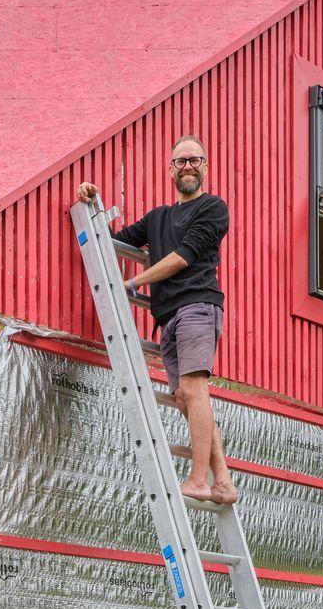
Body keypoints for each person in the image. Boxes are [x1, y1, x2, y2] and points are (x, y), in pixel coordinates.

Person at [76, 136, 237, 504]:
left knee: (194, 390)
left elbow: (184, 256)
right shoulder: (158, 218)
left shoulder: (213, 208)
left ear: (205, 166)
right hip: (169, 318)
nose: (187, 168)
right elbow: (113, 239)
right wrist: (92, 201)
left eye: (194, 160)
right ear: (170, 171)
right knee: (183, 397)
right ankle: (223, 479)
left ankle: (199, 479)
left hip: (197, 306)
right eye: (180, 162)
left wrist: (133, 282)